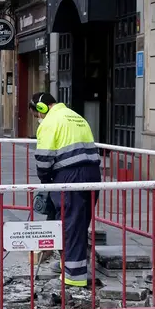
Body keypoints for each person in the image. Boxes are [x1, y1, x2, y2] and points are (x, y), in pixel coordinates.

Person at [29, 92, 102, 289]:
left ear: (42, 108)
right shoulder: (75, 116)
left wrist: (46, 182)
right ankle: (67, 265)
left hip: (70, 176)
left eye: (37, 114)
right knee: (78, 223)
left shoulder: (49, 122)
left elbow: (43, 160)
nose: (38, 118)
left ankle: (73, 278)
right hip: (93, 175)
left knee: (69, 225)